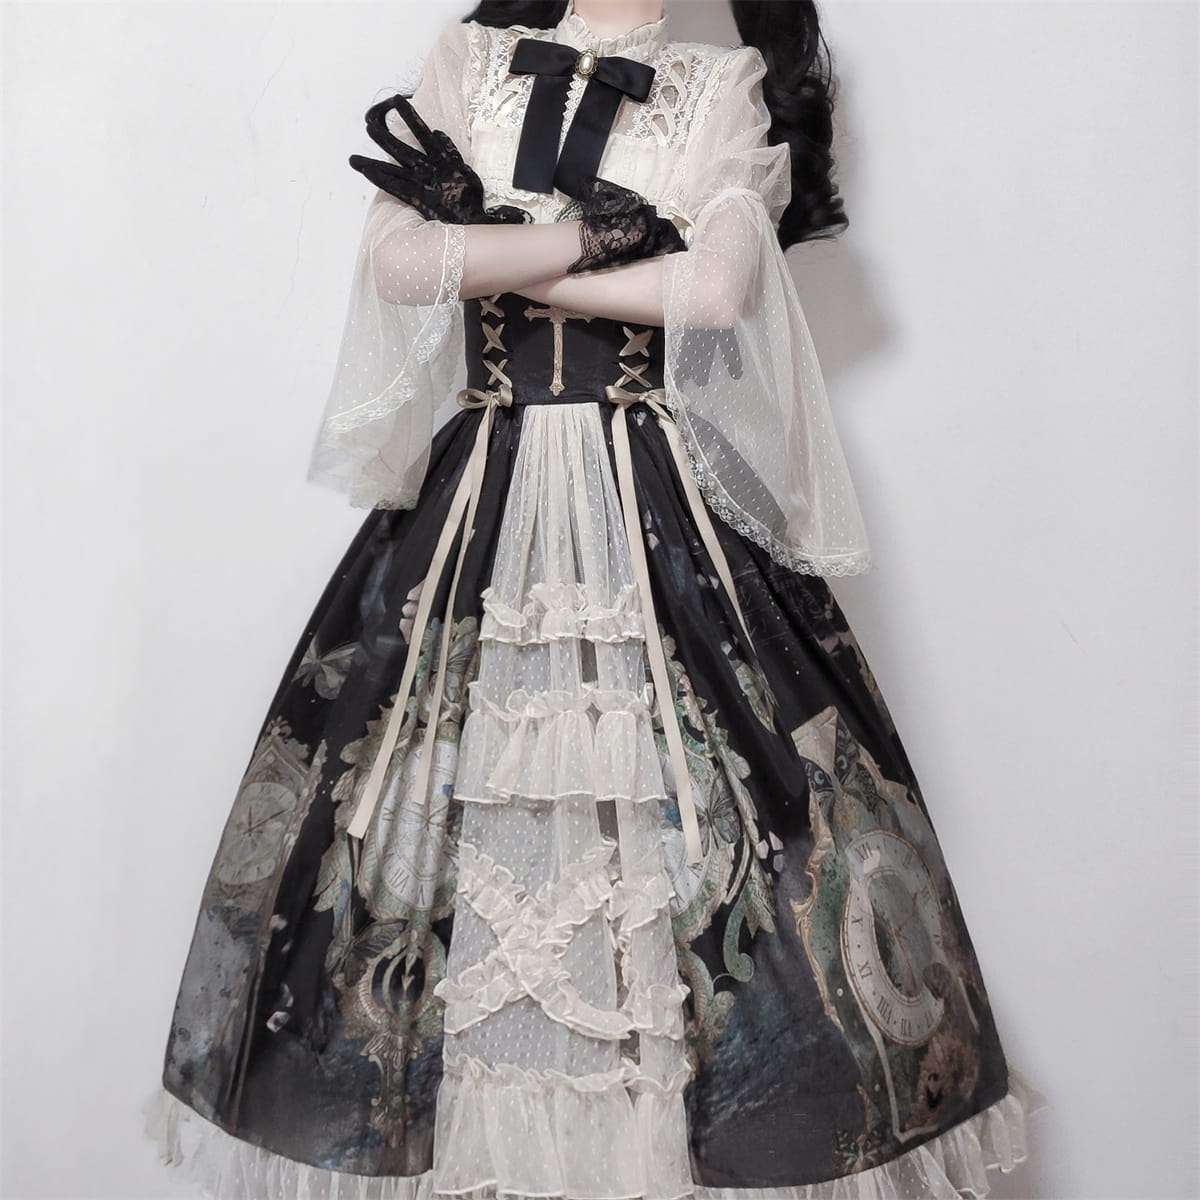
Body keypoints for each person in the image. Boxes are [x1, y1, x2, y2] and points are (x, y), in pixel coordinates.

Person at [143, 1, 1047, 1196]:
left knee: (689, 843)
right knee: (436, 821)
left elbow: (716, 291)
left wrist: (500, 253)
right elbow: (400, 265)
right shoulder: (469, 61)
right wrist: (598, 243)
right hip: (481, 494)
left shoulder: (721, 86)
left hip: (652, 500)